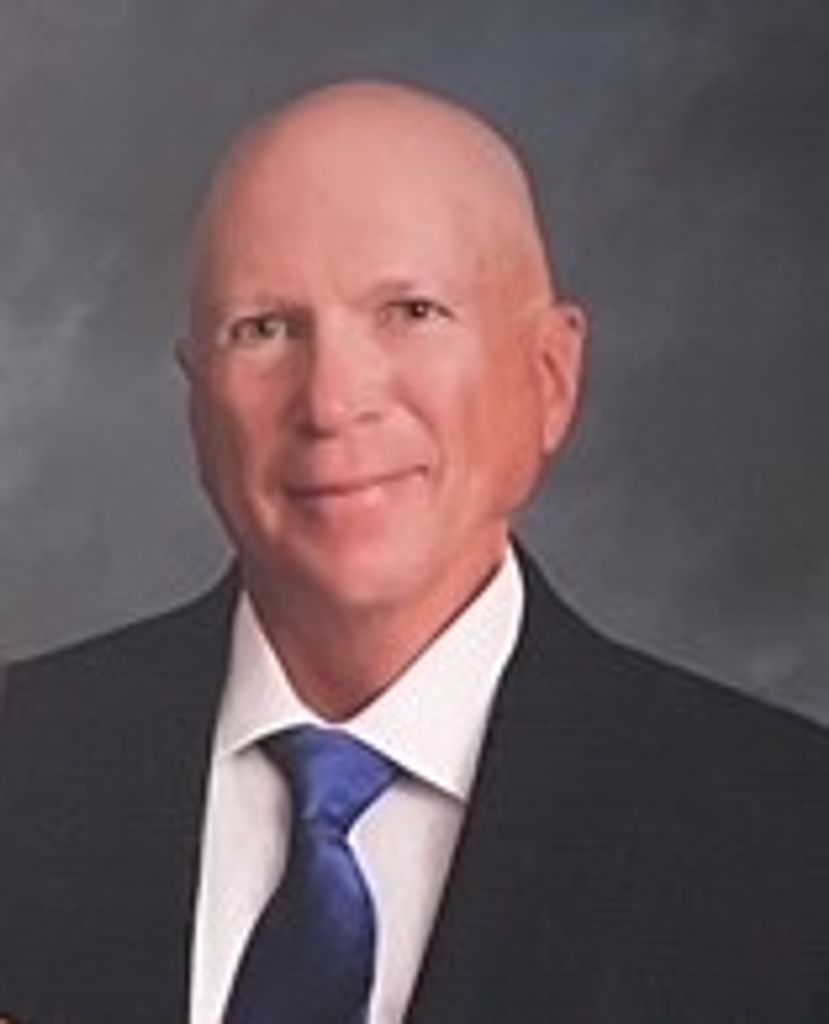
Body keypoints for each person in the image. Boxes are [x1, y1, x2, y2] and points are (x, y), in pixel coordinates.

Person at [3, 79, 829, 1024]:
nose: (331, 401)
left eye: (411, 312)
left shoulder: (789, 842)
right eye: (264, 329)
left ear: (549, 376)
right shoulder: (24, 759)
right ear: (198, 398)